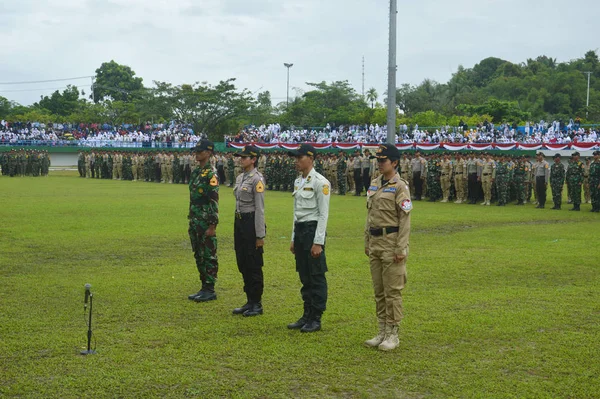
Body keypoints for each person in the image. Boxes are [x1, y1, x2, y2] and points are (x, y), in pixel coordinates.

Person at [364, 144, 411, 352]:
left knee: (393, 291)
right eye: (378, 160)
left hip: (391, 243)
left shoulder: (400, 186)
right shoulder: (375, 183)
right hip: (375, 243)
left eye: (383, 161)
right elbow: (370, 215)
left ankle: (393, 333)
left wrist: (401, 248)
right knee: (379, 291)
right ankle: (382, 330)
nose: (379, 164)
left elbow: (405, 220)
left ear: (394, 162)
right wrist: (366, 241)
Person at [287, 144, 330, 333]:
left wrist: (318, 242)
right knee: (304, 275)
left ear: (311, 159)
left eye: (300, 157)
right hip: (301, 231)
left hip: (313, 231)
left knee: (316, 275)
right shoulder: (298, 181)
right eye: (296, 158)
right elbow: (296, 213)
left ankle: (316, 317)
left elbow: (323, 214)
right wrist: (293, 238)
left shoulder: (321, 182)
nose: (297, 161)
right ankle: (306, 314)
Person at [232, 146, 266, 317]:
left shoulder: (257, 179)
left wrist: (260, 235)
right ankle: (249, 300)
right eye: (240, 157)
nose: (241, 159)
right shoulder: (240, 178)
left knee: (253, 263)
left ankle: (256, 303)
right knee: (242, 260)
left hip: (251, 222)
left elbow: (260, 209)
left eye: (244, 157)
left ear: (253, 159)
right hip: (238, 221)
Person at [187, 140, 220, 303]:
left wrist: (213, 224)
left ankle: (210, 288)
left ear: (208, 152)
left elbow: (213, 200)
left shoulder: (211, 174)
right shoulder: (196, 172)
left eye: (200, 151)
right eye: (196, 151)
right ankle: (203, 286)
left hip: (206, 220)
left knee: (208, 254)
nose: (196, 154)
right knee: (198, 253)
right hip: (195, 219)